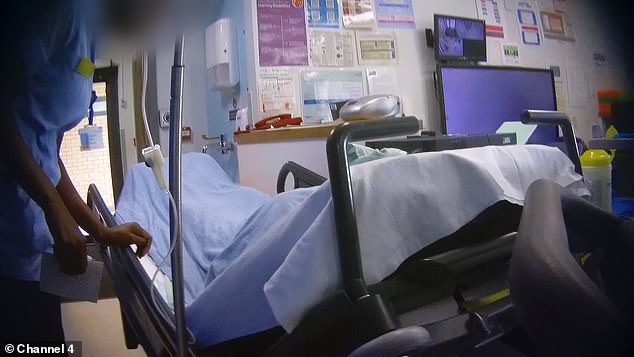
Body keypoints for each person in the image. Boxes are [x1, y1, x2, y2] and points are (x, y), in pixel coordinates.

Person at [0, 0, 159, 344]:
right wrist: (53, 208)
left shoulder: (92, 41)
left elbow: (47, 151)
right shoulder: (60, 10)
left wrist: (100, 230)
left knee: (45, 346)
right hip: (7, 244)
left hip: (31, 249)